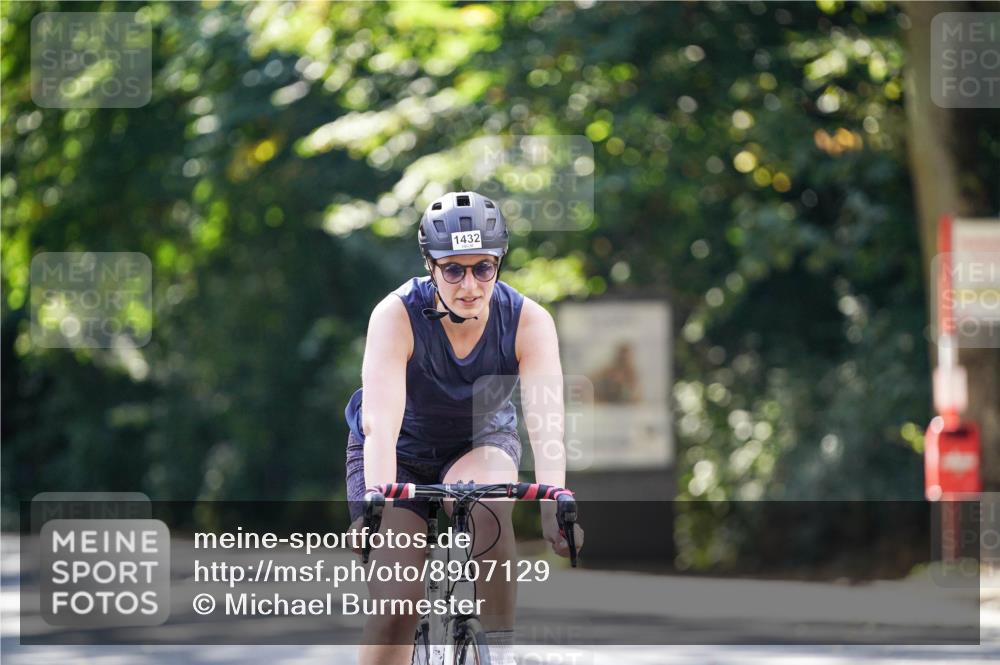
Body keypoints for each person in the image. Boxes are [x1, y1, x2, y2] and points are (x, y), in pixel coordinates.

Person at [344, 191, 583, 665]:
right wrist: (374, 500)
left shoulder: (528, 320)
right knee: (396, 605)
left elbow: (546, 420)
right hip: (398, 454)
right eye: (454, 269)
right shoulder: (396, 315)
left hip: (479, 441)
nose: (469, 284)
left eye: (483, 268)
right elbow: (381, 425)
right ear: (430, 265)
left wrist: (556, 501)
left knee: (490, 500)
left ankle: (496, 649)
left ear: (499, 263)